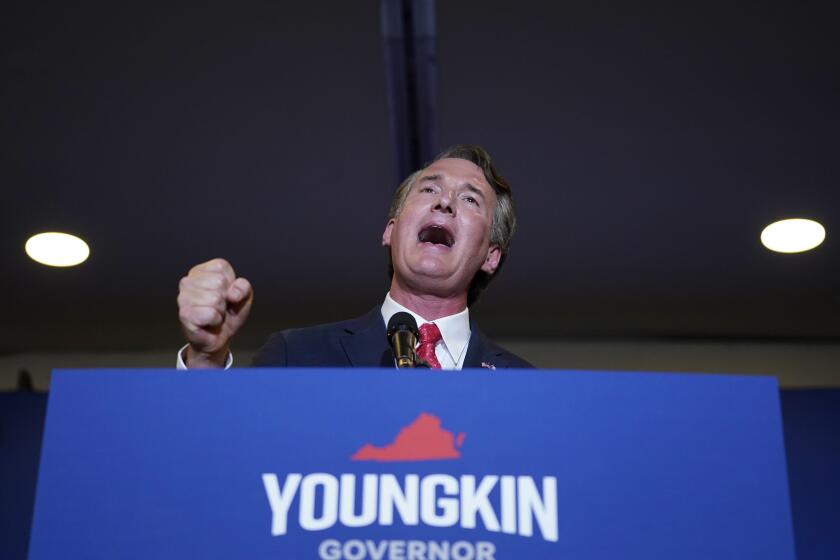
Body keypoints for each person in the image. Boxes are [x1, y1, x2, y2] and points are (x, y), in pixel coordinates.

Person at [176, 145, 533, 370]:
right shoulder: (296, 355)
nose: (444, 202)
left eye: (470, 199)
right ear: (391, 230)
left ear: (491, 256)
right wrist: (206, 359)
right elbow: (226, 458)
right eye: (429, 189)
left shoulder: (525, 387)